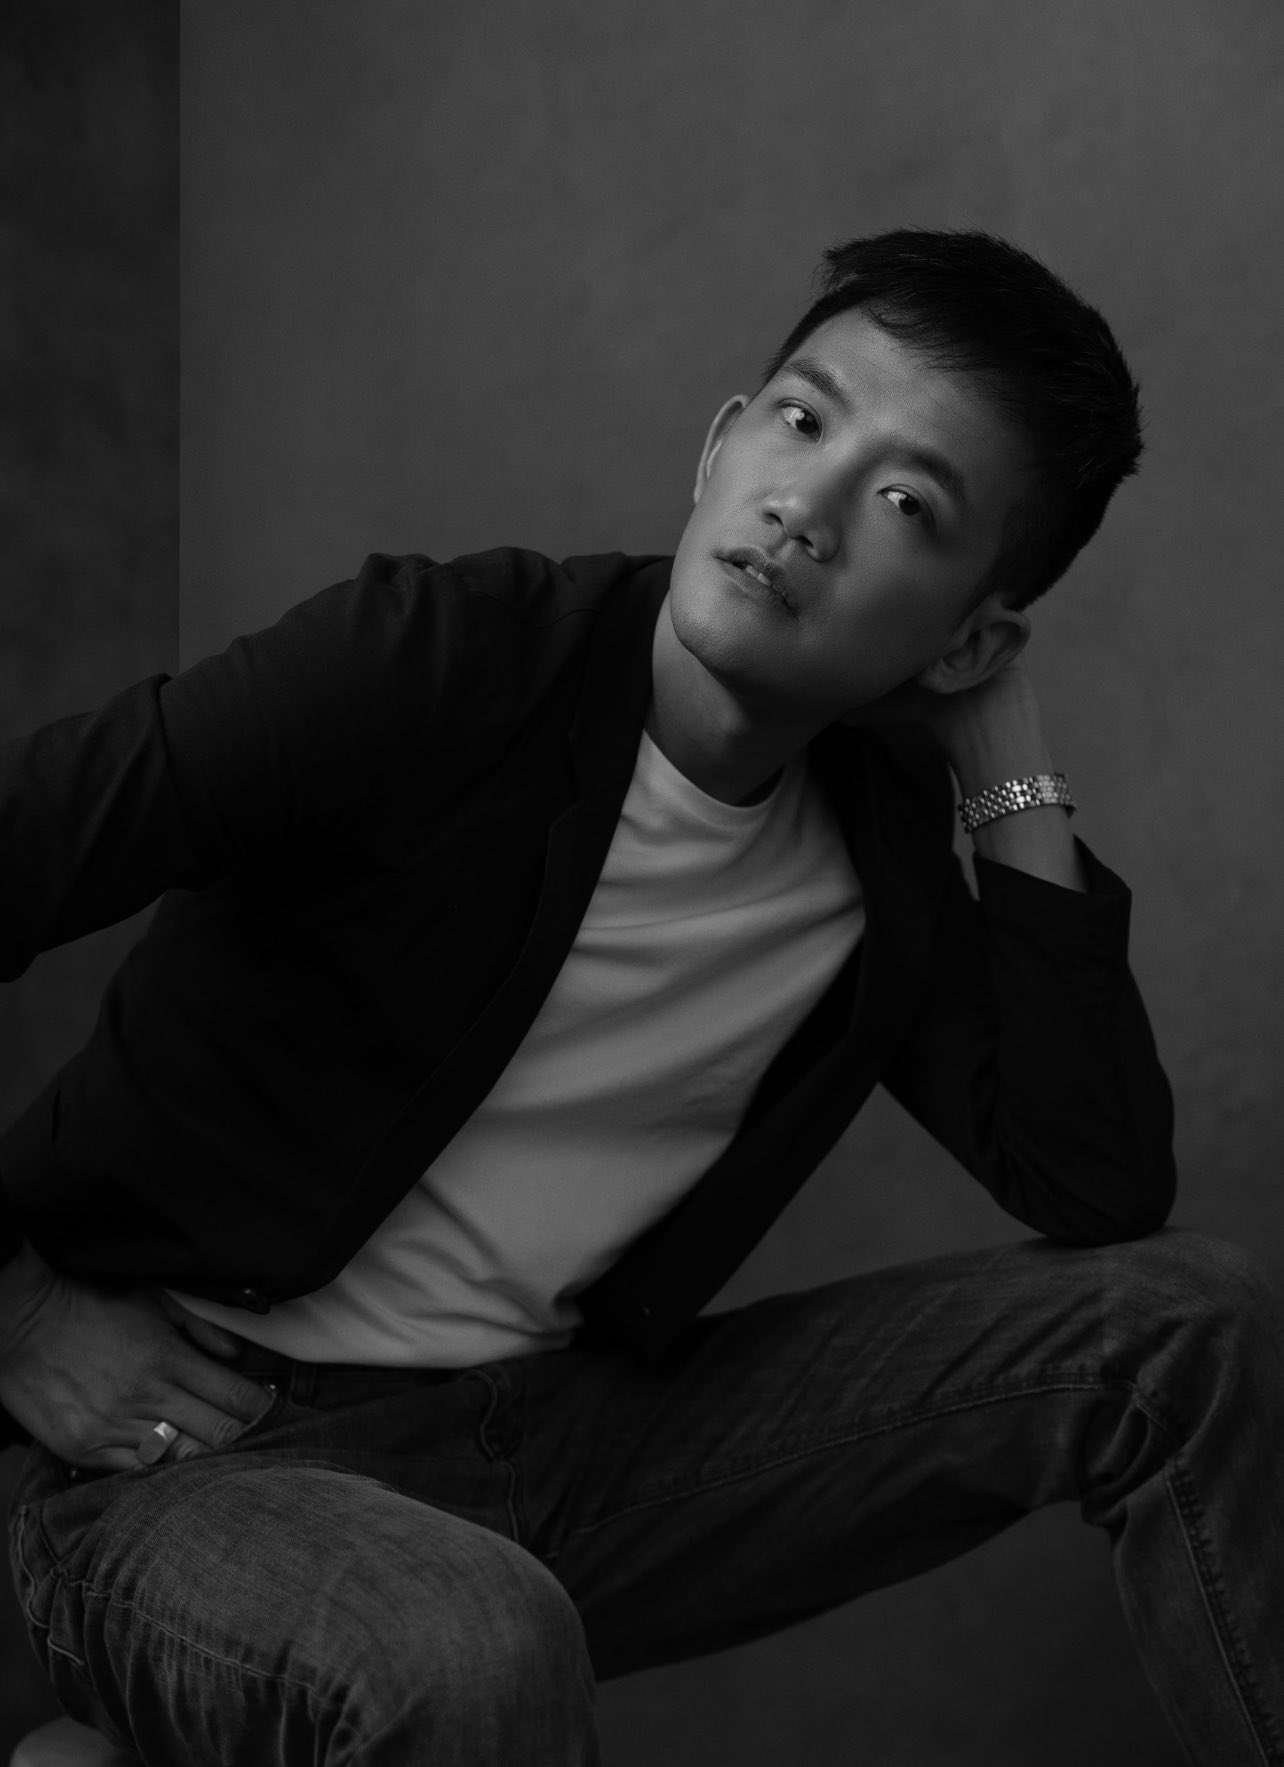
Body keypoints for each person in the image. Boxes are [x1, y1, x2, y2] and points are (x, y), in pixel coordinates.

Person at [0, 229, 1279, 1766]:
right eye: (801, 421)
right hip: (188, 1458)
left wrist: (999, 750)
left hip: (560, 1445)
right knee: (472, 1641)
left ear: (971, 633)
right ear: (720, 443)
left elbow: (1095, 1181)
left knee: (1188, 1328)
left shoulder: (874, 849)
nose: (807, 507)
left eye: (906, 505)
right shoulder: (439, 662)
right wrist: (12, 1306)